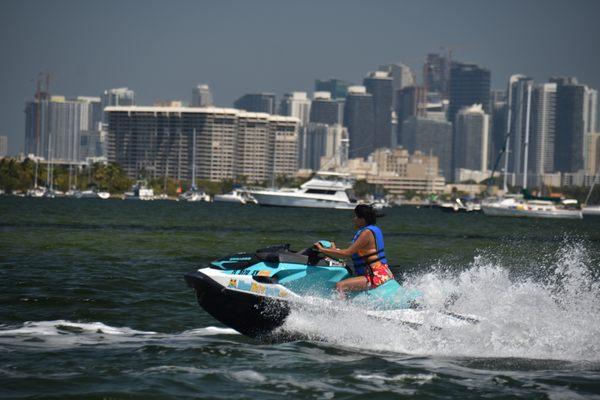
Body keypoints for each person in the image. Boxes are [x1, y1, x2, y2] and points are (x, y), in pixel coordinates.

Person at [314, 204, 394, 298]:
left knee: (340, 286)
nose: (354, 219)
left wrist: (322, 249)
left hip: (375, 275)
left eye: (356, 216)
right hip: (380, 272)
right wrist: (333, 250)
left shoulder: (366, 233)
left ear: (362, 219)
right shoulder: (373, 230)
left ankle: (339, 311)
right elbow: (351, 253)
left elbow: (347, 253)